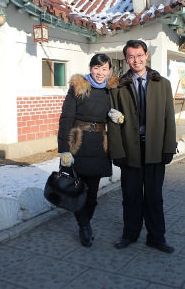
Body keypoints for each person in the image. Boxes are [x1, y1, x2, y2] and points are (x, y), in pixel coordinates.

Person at [108, 39, 177, 254]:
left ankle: (156, 237)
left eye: (139, 55)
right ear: (126, 59)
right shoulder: (119, 86)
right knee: (130, 195)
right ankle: (130, 234)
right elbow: (113, 121)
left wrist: (168, 147)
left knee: (154, 196)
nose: (135, 60)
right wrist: (117, 151)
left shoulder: (162, 84)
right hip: (130, 150)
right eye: (130, 56)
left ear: (146, 55)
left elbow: (169, 118)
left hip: (155, 149)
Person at [57, 53, 123, 247]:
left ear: (110, 70)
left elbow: (122, 111)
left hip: (99, 144)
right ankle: (84, 226)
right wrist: (64, 149)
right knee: (78, 189)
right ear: (90, 68)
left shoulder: (112, 90)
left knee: (92, 194)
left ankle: (84, 222)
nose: (100, 73)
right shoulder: (79, 86)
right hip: (78, 142)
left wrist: (118, 116)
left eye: (104, 69)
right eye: (96, 68)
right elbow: (66, 118)